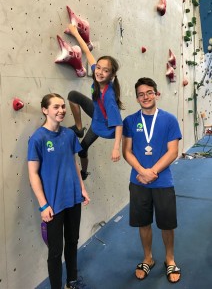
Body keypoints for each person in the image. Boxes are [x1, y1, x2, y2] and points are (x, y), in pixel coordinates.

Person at [122, 78, 182, 283]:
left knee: (166, 224)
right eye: (141, 94)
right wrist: (141, 171)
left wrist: (152, 172)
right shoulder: (130, 121)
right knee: (144, 223)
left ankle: (170, 259)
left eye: (149, 92)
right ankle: (148, 258)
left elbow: (173, 151)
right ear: (136, 97)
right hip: (138, 181)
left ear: (157, 94)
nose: (145, 97)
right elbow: (126, 151)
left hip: (163, 181)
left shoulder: (169, 120)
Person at [28, 93, 90, 289]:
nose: (62, 110)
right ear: (45, 110)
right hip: (53, 205)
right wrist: (43, 205)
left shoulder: (69, 135)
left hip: (73, 198)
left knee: (72, 241)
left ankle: (72, 281)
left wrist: (82, 188)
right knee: (55, 251)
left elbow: (72, 162)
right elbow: (33, 174)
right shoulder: (38, 138)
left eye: (63, 106)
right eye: (56, 107)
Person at [67, 24, 124, 180]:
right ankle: (79, 128)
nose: (99, 72)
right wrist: (75, 33)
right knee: (72, 95)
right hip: (96, 111)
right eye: (98, 68)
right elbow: (86, 51)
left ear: (111, 75)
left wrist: (116, 148)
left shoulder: (109, 97)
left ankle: (84, 172)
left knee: (82, 149)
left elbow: (119, 124)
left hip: (102, 125)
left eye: (105, 70)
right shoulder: (97, 76)